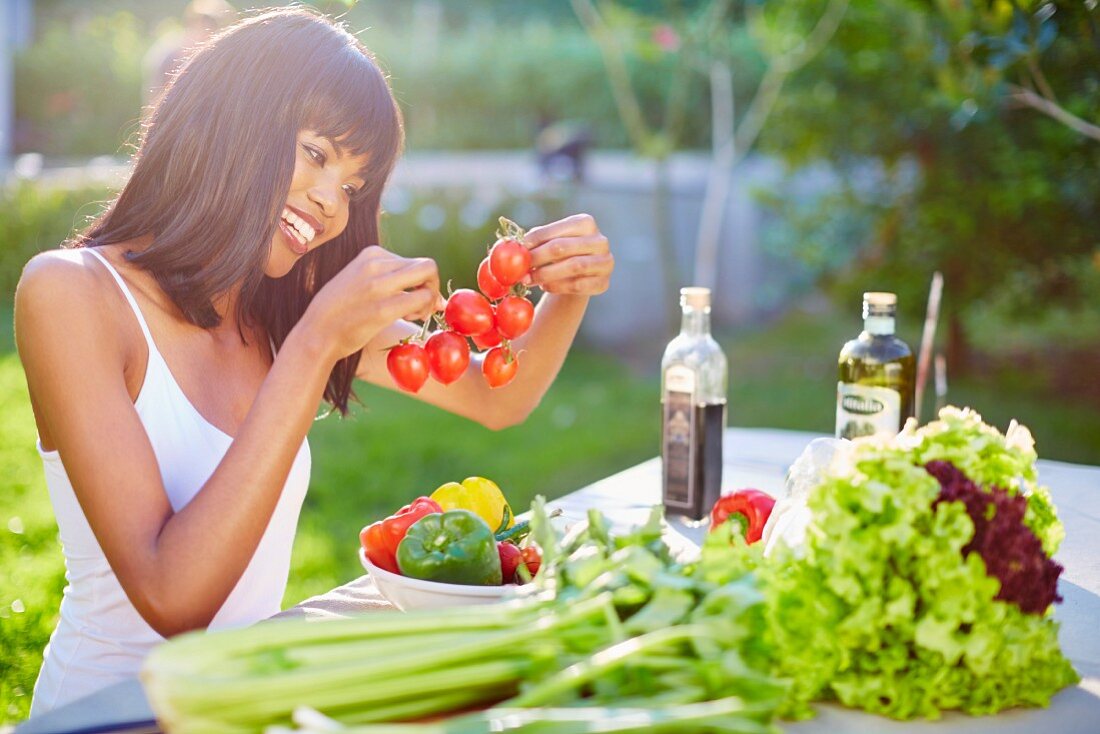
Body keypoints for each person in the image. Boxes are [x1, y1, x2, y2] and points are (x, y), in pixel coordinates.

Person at [14, 6, 614, 715]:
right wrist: (314, 345)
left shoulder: (286, 303)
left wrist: (567, 290)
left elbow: (497, 398)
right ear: (232, 119)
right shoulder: (72, 294)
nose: (332, 203)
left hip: (244, 710)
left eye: (354, 185)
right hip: (108, 716)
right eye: (317, 154)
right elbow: (173, 598)